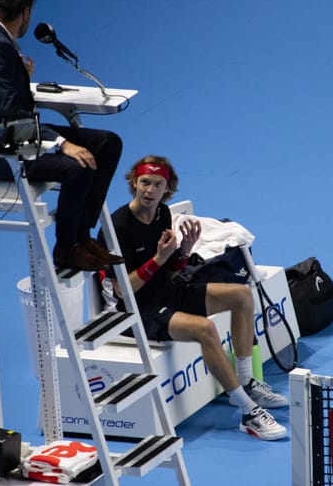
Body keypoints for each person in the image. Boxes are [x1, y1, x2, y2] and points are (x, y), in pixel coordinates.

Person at [99, 155, 288, 441]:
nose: (149, 190)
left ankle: (246, 381)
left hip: (168, 292)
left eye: (157, 184)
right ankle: (248, 413)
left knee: (241, 295)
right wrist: (159, 258)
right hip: (137, 311)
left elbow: (172, 270)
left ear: (167, 188)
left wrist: (184, 252)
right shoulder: (117, 228)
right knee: (206, 329)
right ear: (134, 183)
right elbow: (123, 291)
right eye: (144, 183)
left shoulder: (162, 214)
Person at [0, 0, 123, 271]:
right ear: (26, 12)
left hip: (13, 132)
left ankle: (82, 236)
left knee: (107, 143)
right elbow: (13, 113)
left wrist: (22, 76)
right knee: (77, 166)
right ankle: (67, 248)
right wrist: (63, 144)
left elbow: (8, 99)